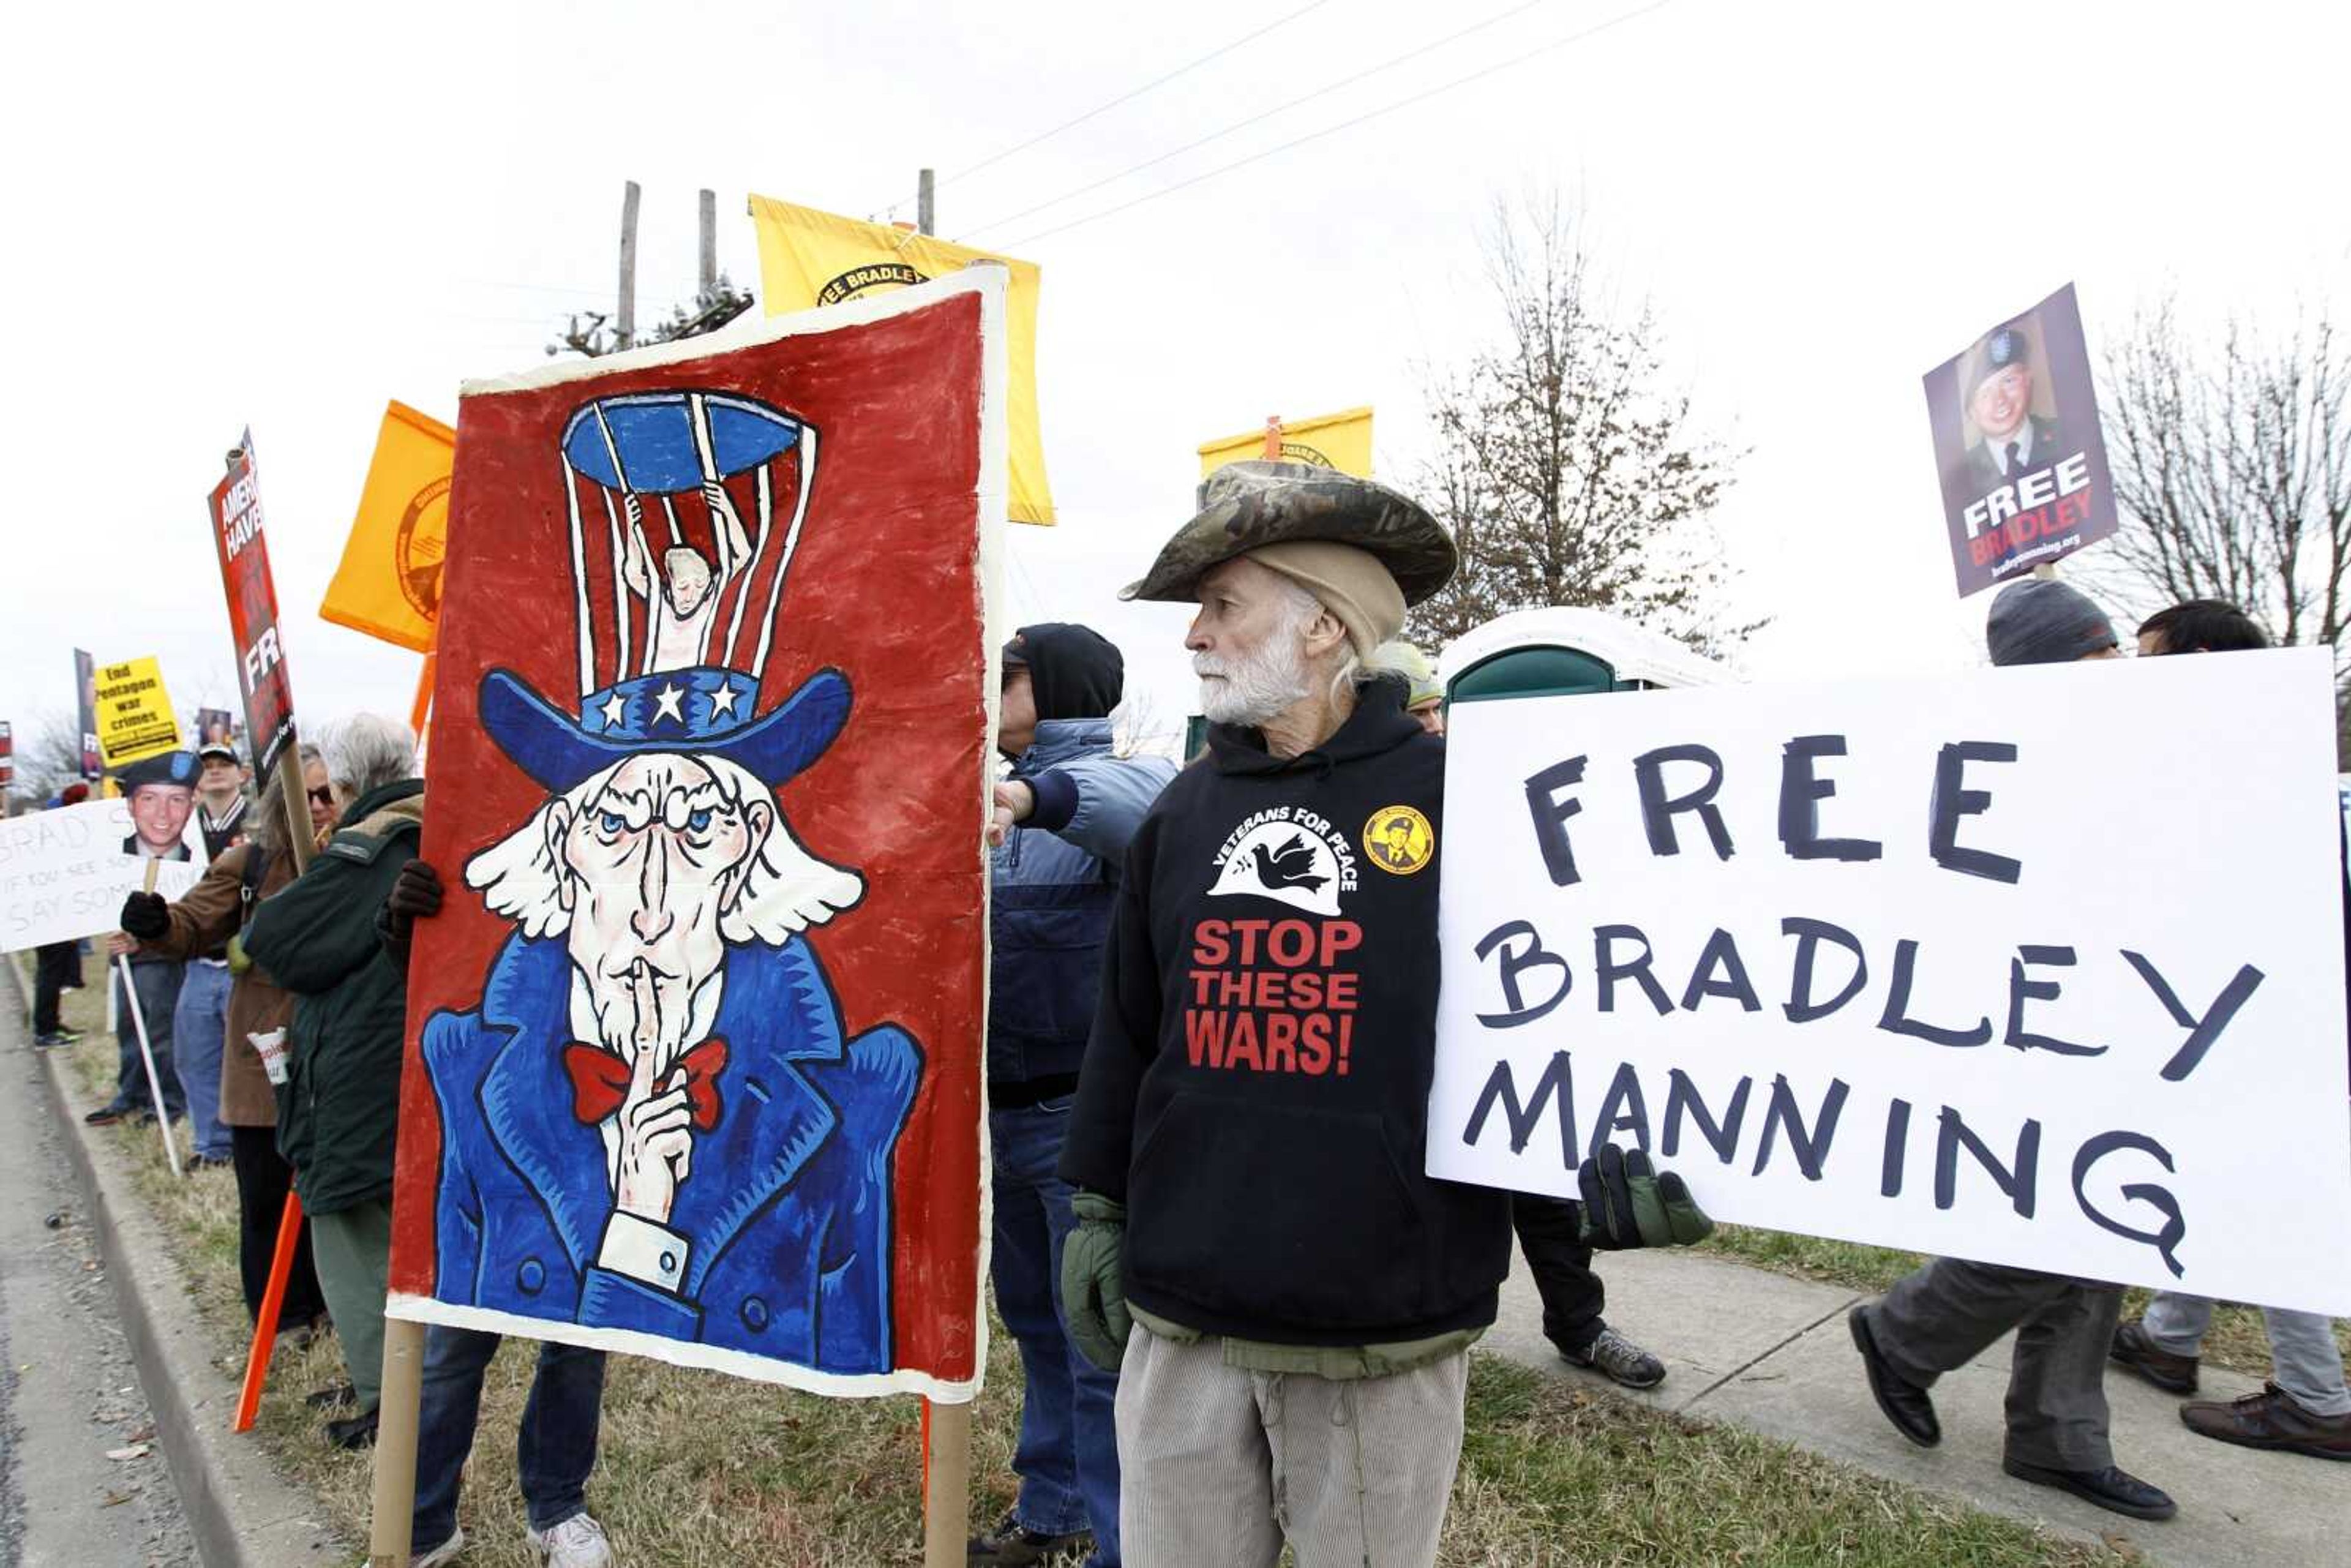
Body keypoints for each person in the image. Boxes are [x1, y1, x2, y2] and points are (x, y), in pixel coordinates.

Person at [1056, 461, 1710, 1567]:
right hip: (1188, 1315)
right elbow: (1128, 1028)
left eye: (1224, 606)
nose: (1195, 639)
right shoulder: (1182, 810)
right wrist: (1099, 1203)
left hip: (1382, 1323)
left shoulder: (1471, 804)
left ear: (1320, 629)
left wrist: (1627, 1136)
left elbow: (1573, 1001)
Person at [1848, 574, 2173, 1521]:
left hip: (2107, 1013)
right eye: (2098, 650)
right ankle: (1907, 1334)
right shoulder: (2007, 757)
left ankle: (2055, 1435)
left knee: (2098, 1222)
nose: (2117, 667)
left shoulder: (2117, 752)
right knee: (2070, 1213)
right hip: (2032, 1020)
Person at [1364, 643, 1670, 1388]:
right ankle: (1426, 1328)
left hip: (1512, 1030)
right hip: (1420, 1045)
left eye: (1440, 711)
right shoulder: (1373, 806)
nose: (1436, 727)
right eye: (1420, 712)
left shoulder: (1488, 792)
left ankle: (1580, 1324)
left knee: (1545, 1187)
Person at [2107, 598, 2350, 1460]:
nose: (2138, 678)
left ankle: (2319, 1397)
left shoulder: (2254, 756)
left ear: (2203, 657)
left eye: (2150, 658)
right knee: (2211, 1164)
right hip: (2224, 1009)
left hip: (2265, 1014)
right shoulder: (2246, 749)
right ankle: (2170, 1339)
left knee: (2267, 1183)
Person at [970, 625, 1175, 1568]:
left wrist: (1026, 795)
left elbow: (1132, 806)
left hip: (1080, 1129)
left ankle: (1123, 1547)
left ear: (1049, 687)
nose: (985, 683)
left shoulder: (1118, 784)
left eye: (1002, 672)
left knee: (1101, 1342)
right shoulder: (986, 790)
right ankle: (1052, 1506)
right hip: (997, 1121)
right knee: (1033, 1318)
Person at [381, 859, 616, 1568]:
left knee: (577, 1337)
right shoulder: (469, 835)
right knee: (457, 1336)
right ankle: (420, 1522)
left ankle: (557, 1505)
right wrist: (401, 923)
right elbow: (435, 975)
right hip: (491, 1129)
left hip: (598, 1138)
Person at [242, 716, 423, 1451]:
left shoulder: (373, 845)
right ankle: (383, 1379)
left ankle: (389, 1404)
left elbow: (275, 940)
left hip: (360, 1078)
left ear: (347, 785)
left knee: (353, 1236)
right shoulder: (431, 830)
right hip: (399, 1072)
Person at [118, 745, 329, 1337]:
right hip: (262, 1062)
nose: (317, 805)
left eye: (326, 792)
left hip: (334, 1062)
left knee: (329, 1200)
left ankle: (327, 1305)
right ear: (277, 799)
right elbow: (189, 925)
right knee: (264, 1196)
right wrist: (156, 923)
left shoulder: (353, 861)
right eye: (303, 793)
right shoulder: (249, 867)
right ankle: (279, 1316)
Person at [86, 750, 196, 1128]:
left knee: (161, 1035)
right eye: (144, 799)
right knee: (130, 1030)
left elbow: (188, 910)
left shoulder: (185, 850)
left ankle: (165, 1102)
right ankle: (130, 1095)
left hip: (160, 958)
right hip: (126, 956)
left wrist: (146, 941)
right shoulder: (116, 848)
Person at [169, 741, 255, 1168]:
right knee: (196, 1055)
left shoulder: (260, 820)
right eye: (208, 765)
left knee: (252, 1062)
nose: (216, 771)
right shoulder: (180, 826)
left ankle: (255, 1146)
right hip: (200, 960)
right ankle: (212, 1145)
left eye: (226, 763)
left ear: (242, 774)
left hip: (249, 961)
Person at [1962, 324, 2064, 493]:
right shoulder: (1962, 478)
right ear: (1972, 411)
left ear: (2027, 379)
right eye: (1986, 394)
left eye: (2009, 381)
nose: (2000, 400)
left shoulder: (2067, 433)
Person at [31, 782, 92, 1048]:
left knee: (53, 973)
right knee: (50, 973)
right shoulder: (52, 837)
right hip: (48, 917)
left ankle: (51, 1023)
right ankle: (45, 1030)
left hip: (55, 914)